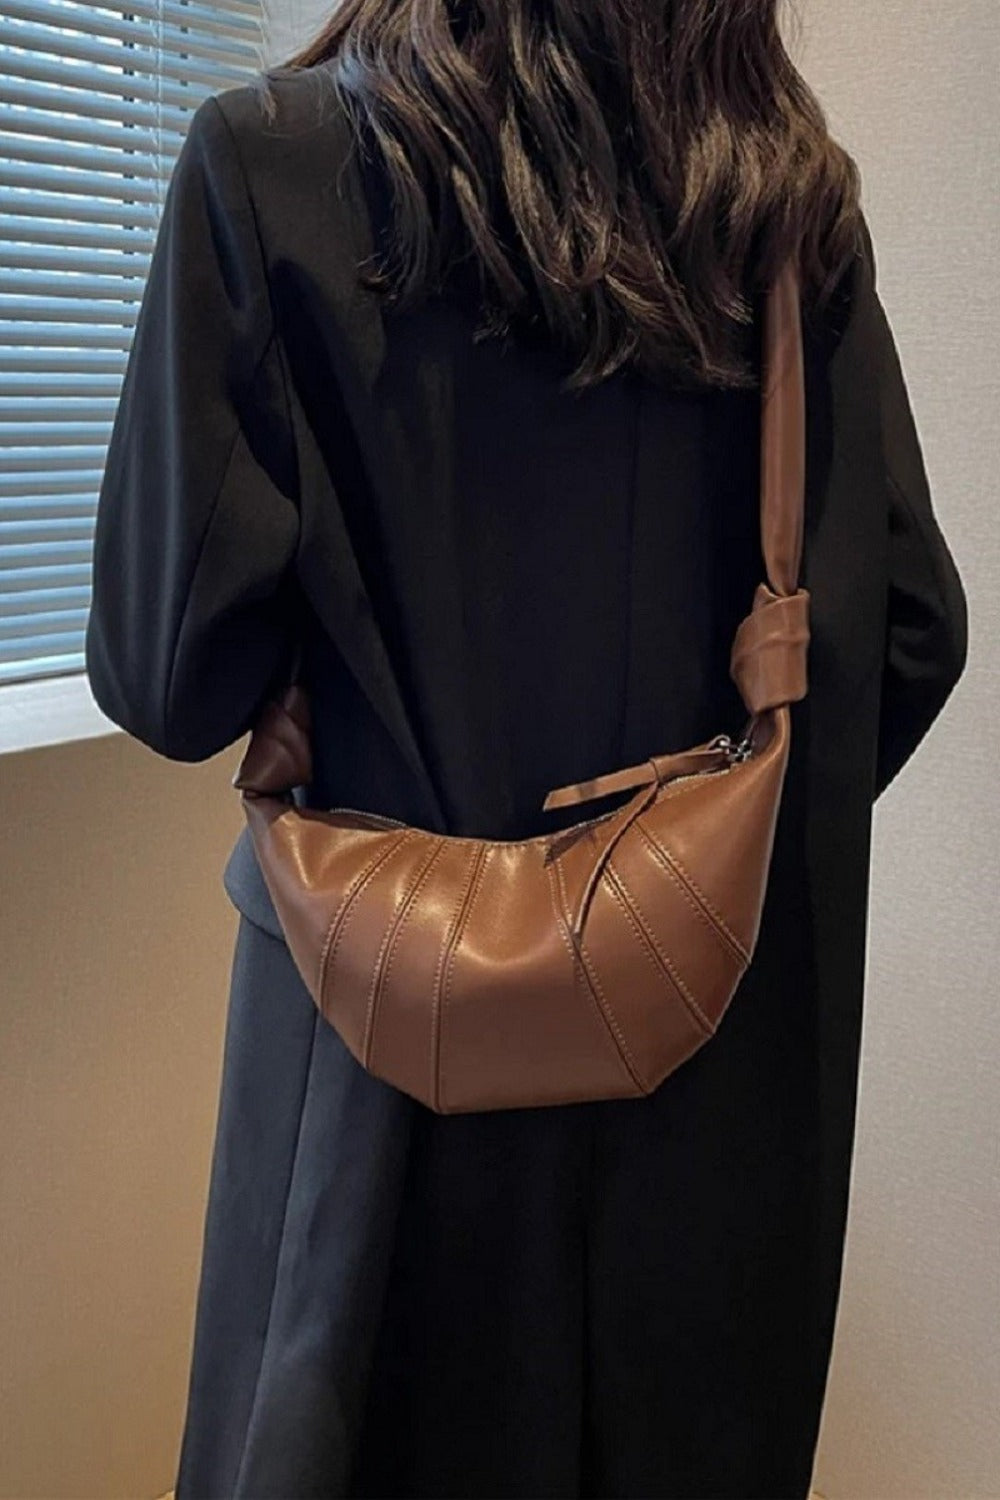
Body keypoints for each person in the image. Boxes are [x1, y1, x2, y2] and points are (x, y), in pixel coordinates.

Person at [85, 2, 969, 1496]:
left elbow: (167, 678)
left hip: (377, 1088)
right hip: (705, 1107)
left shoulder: (271, 161)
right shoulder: (780, 203)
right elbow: (907, 637)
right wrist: (668, 865)